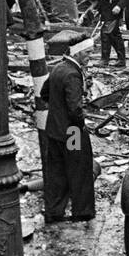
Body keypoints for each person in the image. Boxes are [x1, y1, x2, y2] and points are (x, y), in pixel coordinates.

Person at [40, 51, 96, 223]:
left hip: (54, 130)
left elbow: (44, 93)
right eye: (87, 53)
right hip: (72, 132)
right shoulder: (73, 74)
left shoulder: (58, 68)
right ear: (77, 53)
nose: (89, 56)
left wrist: (58, 108)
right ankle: (82, 211)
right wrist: (81, 124)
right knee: (79, 169)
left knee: (56, 172)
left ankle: (53, 211)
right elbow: (74, 110)